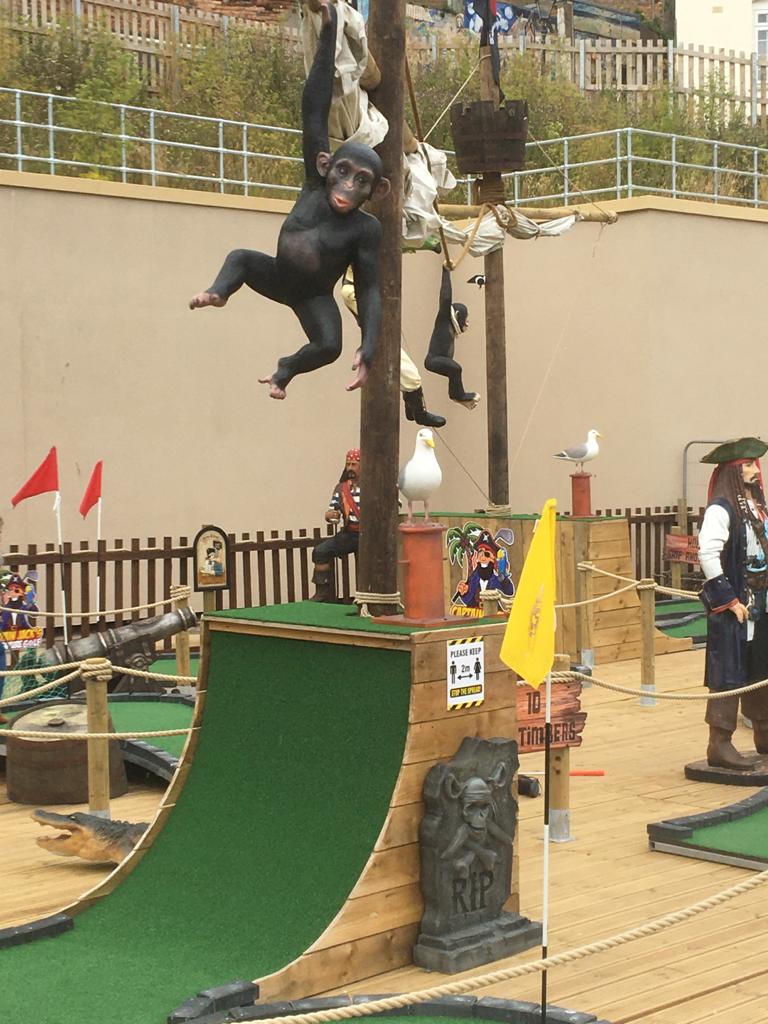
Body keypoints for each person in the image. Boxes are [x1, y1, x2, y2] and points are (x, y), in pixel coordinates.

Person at [698, 437, 768, 770]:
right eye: (748, 465)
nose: (756, 470)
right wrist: (728, 600)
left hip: (762, 604)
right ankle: (720, 744)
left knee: (762, 666)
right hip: (735, 606)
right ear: (733, 471)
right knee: (728, 671)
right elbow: (708, 554)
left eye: (755, 463)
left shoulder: (758, 506)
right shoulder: (721, 508)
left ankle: (765, 736)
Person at [311, 448, 361, 602]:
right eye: (348, 464)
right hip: (350, 533)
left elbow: (394, 505)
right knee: (320, 552)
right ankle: (322, 592)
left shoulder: (375, 486)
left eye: (354, 464)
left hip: (370, 536)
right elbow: (333, 509)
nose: (350, 468)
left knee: (366, 566)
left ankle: (366, 596)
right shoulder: (341, 489)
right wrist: (330, 515)